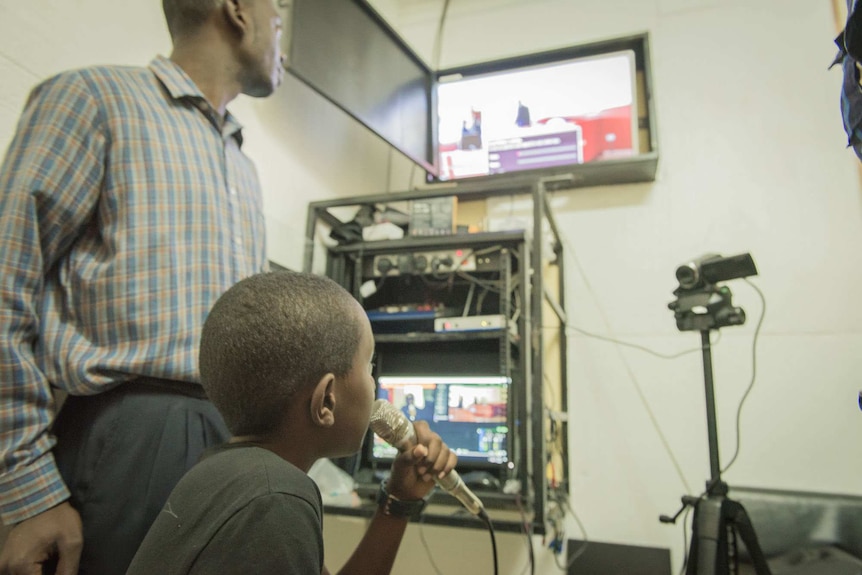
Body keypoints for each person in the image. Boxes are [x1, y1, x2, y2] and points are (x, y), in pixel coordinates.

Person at [0, 1, 285, 573]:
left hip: (233, 439)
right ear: (237, 10)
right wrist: (25, 485)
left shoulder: (243, 166)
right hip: (131, 440)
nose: (284, 42)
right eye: (279, 18)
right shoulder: (93, 100)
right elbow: (7, 278)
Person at [127, 270, 457, 574]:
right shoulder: (275, 498)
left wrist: (398, 501)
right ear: (326, 400)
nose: (374, 385)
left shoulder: (224, 473)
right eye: (368, 367)